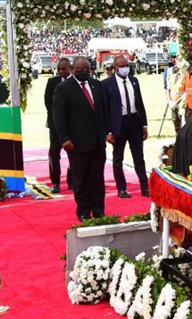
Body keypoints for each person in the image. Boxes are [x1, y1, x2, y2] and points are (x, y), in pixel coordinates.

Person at [53, 56, 112, 222]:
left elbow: (103, 111)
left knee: (97, 178)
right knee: (80, 178)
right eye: (80, 69)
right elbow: (59, 117)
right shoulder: (63, 88)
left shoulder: (96, 85)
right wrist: (64, 139)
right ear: (73, 69)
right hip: (77, 143)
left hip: (97, 141)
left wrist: (107, 132)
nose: (84, 72)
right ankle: (84, 211)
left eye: (86, 69)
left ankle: (98, 210)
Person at [102, 55, 150, 198]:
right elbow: (105, 110)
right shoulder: (107, 84)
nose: (125, 68)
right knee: (118, 158)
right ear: (115, 68)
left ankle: (145, 187)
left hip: (134, 122)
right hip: (118, 124)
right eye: (122, 66)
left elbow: (140, 103)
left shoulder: (134, 81)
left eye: (126, 65)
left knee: (139, 157)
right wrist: (108, 131)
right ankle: (121, 188)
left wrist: (144, 125)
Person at [45, 57, 72, 193]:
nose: (61, 71)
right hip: (55, 125)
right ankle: (55, 182)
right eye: (59, 69)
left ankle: (72, 180)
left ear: (70, 68)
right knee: (54, 154)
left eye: (63, 69)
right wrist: (58, 119)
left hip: (73, 125)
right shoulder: (52, 82)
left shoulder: (75, 82)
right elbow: (48, 103)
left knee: (74, 154)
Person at [164, 58, 183, 133]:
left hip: (180, 103)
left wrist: (177, 102)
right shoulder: (171, 78)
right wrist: (170, 101)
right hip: (172, 103)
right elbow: (168, 90)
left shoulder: (183, 78)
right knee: (175, 121)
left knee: (182, 123)